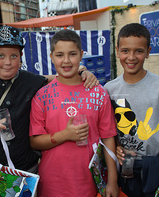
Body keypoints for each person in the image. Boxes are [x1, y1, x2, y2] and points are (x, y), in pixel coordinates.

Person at [0, 26, 99, 173]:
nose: (8, 62)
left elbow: (59, 79)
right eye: (0, 56)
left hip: (27, 171)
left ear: (21, 55)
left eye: (14, 56)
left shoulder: (31, 82)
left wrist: (81, 72)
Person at [29, 29, 119, 197]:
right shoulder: (42, 95)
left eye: (72, 54)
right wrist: (65, 135)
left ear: (81, 54)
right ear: (51, 57)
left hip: (90, 183)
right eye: (59, 55)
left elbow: (108, 137)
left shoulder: (98, 93)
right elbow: (34, 142)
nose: (66, 61)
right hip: (51, 184)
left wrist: (112, 181)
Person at [104, 23, 159, 197]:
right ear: (118, 50)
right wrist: (119, 147)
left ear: (148, 51)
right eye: (126, 50)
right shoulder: (109, 89)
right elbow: (110, 131)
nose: (131, 57)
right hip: (126, 169)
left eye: (139, 51)